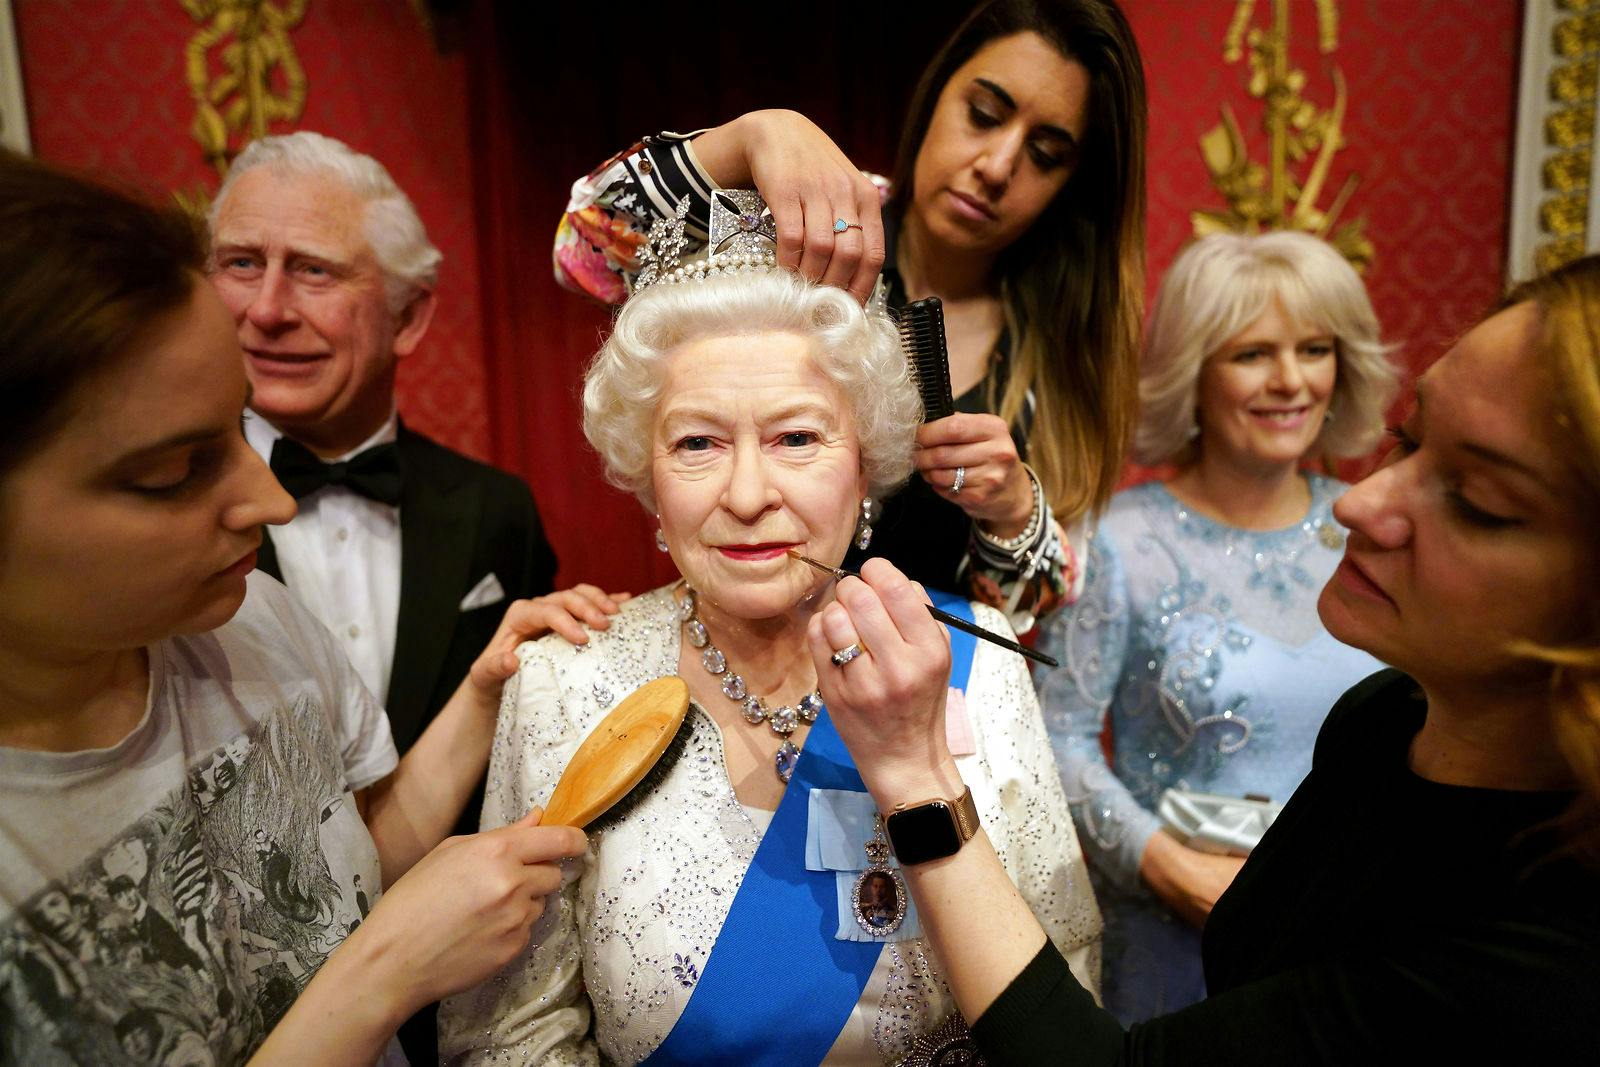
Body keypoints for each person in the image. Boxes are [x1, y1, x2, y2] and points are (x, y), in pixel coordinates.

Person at [809, 255, 1600, 1061]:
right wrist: (1166, 862)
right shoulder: (1382, 719)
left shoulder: (1545, 950)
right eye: (1409, 438)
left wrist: (915, 774)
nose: (1362, 503)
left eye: (1478, 502)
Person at [0, 151, 590, 1065]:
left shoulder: (255, 617)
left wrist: (481, 693)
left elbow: (342, 858)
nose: (272, 501)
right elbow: (374, 948)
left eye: (241, 428)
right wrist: (387, 971)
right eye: (172, 471)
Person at [438, 254, 1101, 1064]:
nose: (747, 495)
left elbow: (1068, 996)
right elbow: (509, 1035)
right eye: (697, 442)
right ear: (647, 475)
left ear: (867, 463)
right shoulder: (564, 680)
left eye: (795, 437)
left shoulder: (975, 661)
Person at [554, 0, 1146, 631]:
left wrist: (1012, 509)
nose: (997, 167)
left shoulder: (1065, 343)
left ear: (1075, 182)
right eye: (983, 115)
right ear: (935, 92)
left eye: (1046, 154)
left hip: (929, 692)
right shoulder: (808, 216)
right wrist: (747, 139)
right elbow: (582, 254)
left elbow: (1035, 613)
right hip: (740, 662)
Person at [1034, 231, 1394, 1021]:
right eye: (1252, 353)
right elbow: (1055, 740)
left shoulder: (1378, 526)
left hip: (1354, 942)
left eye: (1314, 349)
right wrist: (1169, 868)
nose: (1291, 380)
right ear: (1194, 372)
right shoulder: (1118, 539)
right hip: (1174, 948)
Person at [208, 130, 574, 784]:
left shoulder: (497, 511)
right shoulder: (160, 515)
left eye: (313, 269)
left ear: (407, 318)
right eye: (240, 264)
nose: (265, 309)